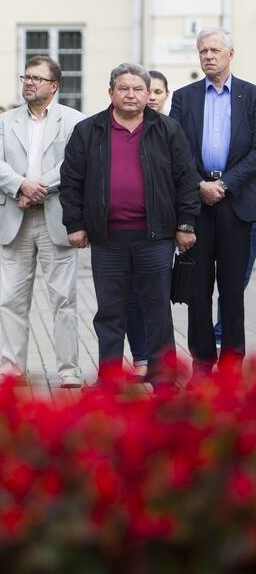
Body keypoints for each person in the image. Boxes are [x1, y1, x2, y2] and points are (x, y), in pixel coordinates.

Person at [61, 63, 200, 390]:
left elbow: (186, 179)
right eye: (124, 88)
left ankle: (162, 376)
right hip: (107, 238)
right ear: (111, 92)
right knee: (109, 312)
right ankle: (110, 378)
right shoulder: (88, 130)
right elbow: (71, 181)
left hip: (155, 237)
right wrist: (75, 223)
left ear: (147, 94)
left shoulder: (167, 130)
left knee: (157, 311)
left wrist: (186, 224)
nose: (131, 95)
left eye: (139, 89)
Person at [0, 56, 86, 388]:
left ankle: (69, 369)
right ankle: (11, 368)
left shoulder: (73, 121)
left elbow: (74, 164)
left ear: (54, 86)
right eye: (25, 77)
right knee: (11, 298)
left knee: (63, 299)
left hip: (55, 217)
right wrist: (20, 186)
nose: (28, 83)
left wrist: (38, 187)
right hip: (16, 215)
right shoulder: (6, 121)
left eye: (36, 78)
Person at [170, 28, 256, 377]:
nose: (208, 56)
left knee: (233, 291)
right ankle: (203, 363)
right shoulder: (184, 97)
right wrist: (200, 184)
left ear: (230, 54)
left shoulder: (251, 96)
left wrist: (225, 183)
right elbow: (176, 150)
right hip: (197, 206)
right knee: (198, 290)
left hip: (237, 205)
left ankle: (233, 364)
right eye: (203, 50)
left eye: (215, 50)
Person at [122, 69, 171, 379]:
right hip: (129, 229)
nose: (151, 97)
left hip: (167, 227)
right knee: (132, 295)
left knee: (158, 295)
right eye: (147, 91)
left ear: (166, 95)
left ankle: (162, 361)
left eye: (157, 92)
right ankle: (141, 356)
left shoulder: (172, 129)